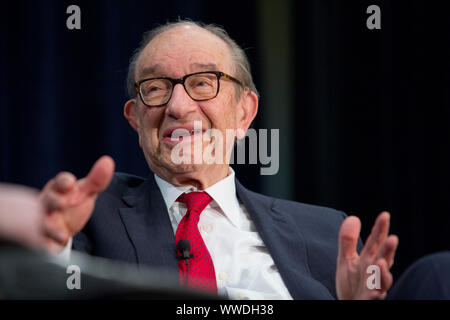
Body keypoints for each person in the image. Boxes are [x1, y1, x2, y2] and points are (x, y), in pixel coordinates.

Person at [38, 20, 401, 300]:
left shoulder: (325, 234)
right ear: (135, 119)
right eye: (156, 88)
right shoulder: (92, 217)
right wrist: (50, 245)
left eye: (202, 82)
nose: (177, 106)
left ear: (244, 113)